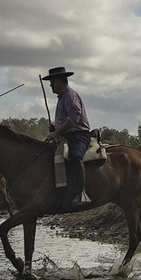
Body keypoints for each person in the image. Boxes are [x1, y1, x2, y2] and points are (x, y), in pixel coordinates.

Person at [44, 66, 91, 204]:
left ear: (58, 81)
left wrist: (57, 132)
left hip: (79, 135)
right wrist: (55, 127)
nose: (51, 85)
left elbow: (74, 118)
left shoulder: (70, 95)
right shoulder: (62, 97)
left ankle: (80, 192)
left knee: (75, 156)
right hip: (67, 135)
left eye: (52, 82)